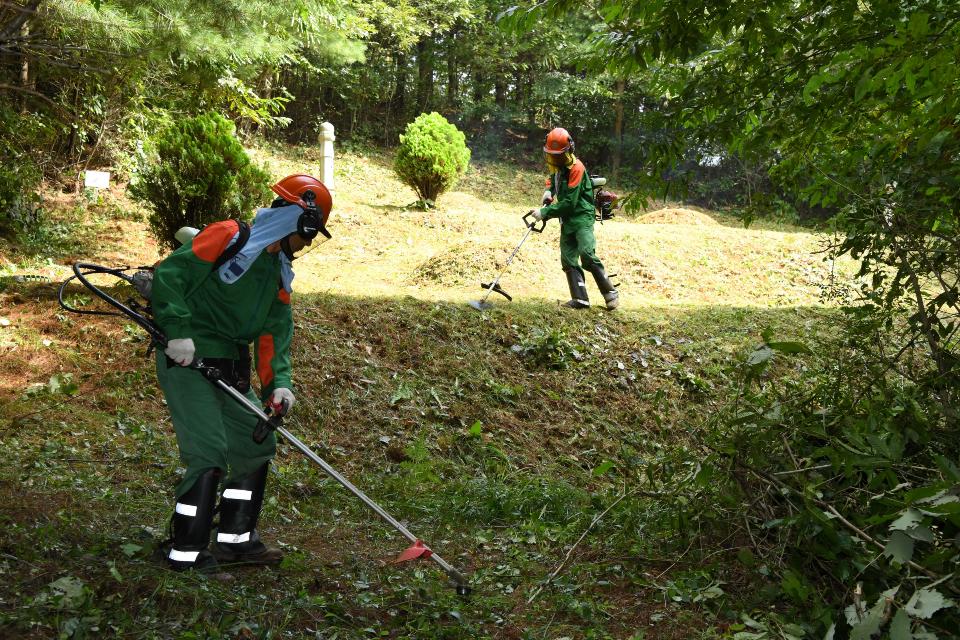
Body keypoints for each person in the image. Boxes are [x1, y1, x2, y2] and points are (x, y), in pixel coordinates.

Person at [151, 174, 332, 572]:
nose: (308, 244)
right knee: (209, 451)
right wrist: (178, 332)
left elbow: (273, 335)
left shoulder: (278, 273)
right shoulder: (228, 236)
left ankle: (236, 541)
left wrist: (279, 385)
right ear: (298, 223)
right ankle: (185, 551)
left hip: (230, 368)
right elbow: (171, 276)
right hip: (189, 359)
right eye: (311, 234)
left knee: (254, 445)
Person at [528, 127, 619, 310]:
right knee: (568, 259)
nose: (555, 159)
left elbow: (570, 203)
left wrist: (544, 213)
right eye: (552, 155)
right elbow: (552, 179)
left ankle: (610, 293)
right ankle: (580, 299)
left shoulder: (576, 168)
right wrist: (548, 192)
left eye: (558, 155)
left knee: (586, 254)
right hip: (566, 220)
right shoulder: (557, 166)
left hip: (581, 217)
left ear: (568, 151)